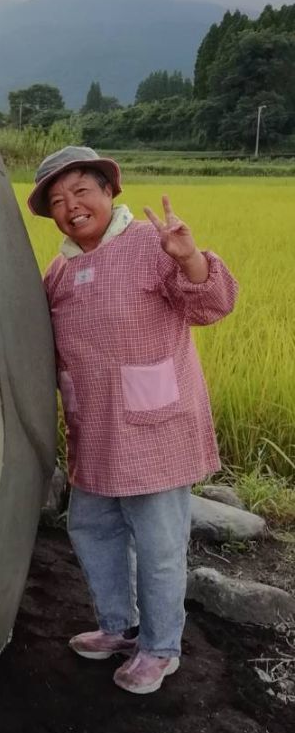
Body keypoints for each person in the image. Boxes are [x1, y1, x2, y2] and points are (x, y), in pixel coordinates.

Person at [28, 146, 238, 695]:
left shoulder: (149, 245)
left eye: (80, 191)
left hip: (155, 430)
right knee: (92, 529)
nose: (70, 206)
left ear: (107, 191)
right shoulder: (60, 269)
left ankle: (161, 647)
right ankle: (119, 629)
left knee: (159, 544)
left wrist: (191, 259)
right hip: (94, 429)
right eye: (56, 200)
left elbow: (212, 305)